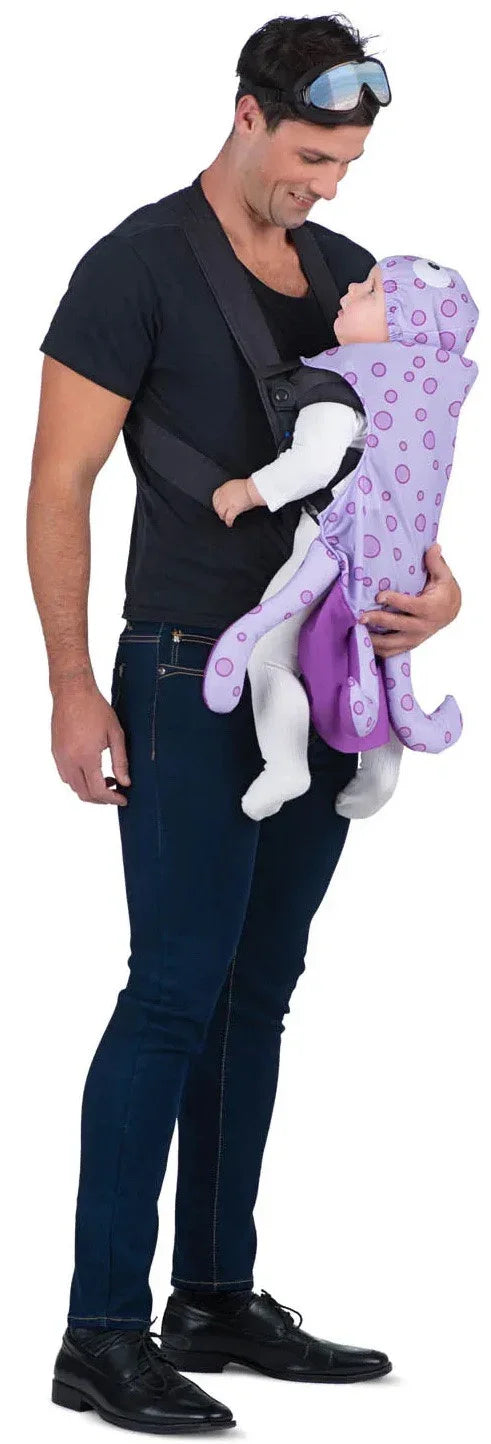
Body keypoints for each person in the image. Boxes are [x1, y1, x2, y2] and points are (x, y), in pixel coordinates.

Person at [28, 15, 462, 1437]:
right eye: (311, 158)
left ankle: (213, 1296)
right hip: (180, 668)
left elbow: (400, 467)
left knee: (259, 990)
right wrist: (72, 683)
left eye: (348, 165)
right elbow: (60, 482)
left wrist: (440, 593)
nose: (328, 189)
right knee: (172, 989)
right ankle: (99, 1332)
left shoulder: (350, 277)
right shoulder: (136, 265)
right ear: (247, 112)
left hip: (326, 674)